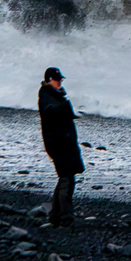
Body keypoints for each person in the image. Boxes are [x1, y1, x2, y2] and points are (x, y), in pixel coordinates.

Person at [37, 66, 83, 226]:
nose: (60, 82)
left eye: (61, 80)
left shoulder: (55, 95)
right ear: (50, 81)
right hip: (58, 144)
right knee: (67, 178)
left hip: (65, 142)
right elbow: (49, 111)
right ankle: (65, 216)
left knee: (66, 176)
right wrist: (66, 107)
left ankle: (56, 215)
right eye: (58, 80)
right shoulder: (45, 95)